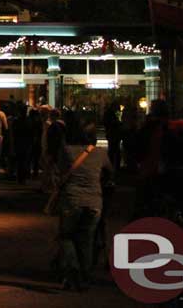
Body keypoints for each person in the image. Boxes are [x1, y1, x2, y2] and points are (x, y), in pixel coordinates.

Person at [55, 120, 112, 291]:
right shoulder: (101, 154)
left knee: (65, 236)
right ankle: (85, 276)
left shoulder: (66, 151)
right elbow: (110, 172)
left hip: (72, 200)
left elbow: (60, 170)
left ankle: (73, 268)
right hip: (94, 202)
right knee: (86, 240)